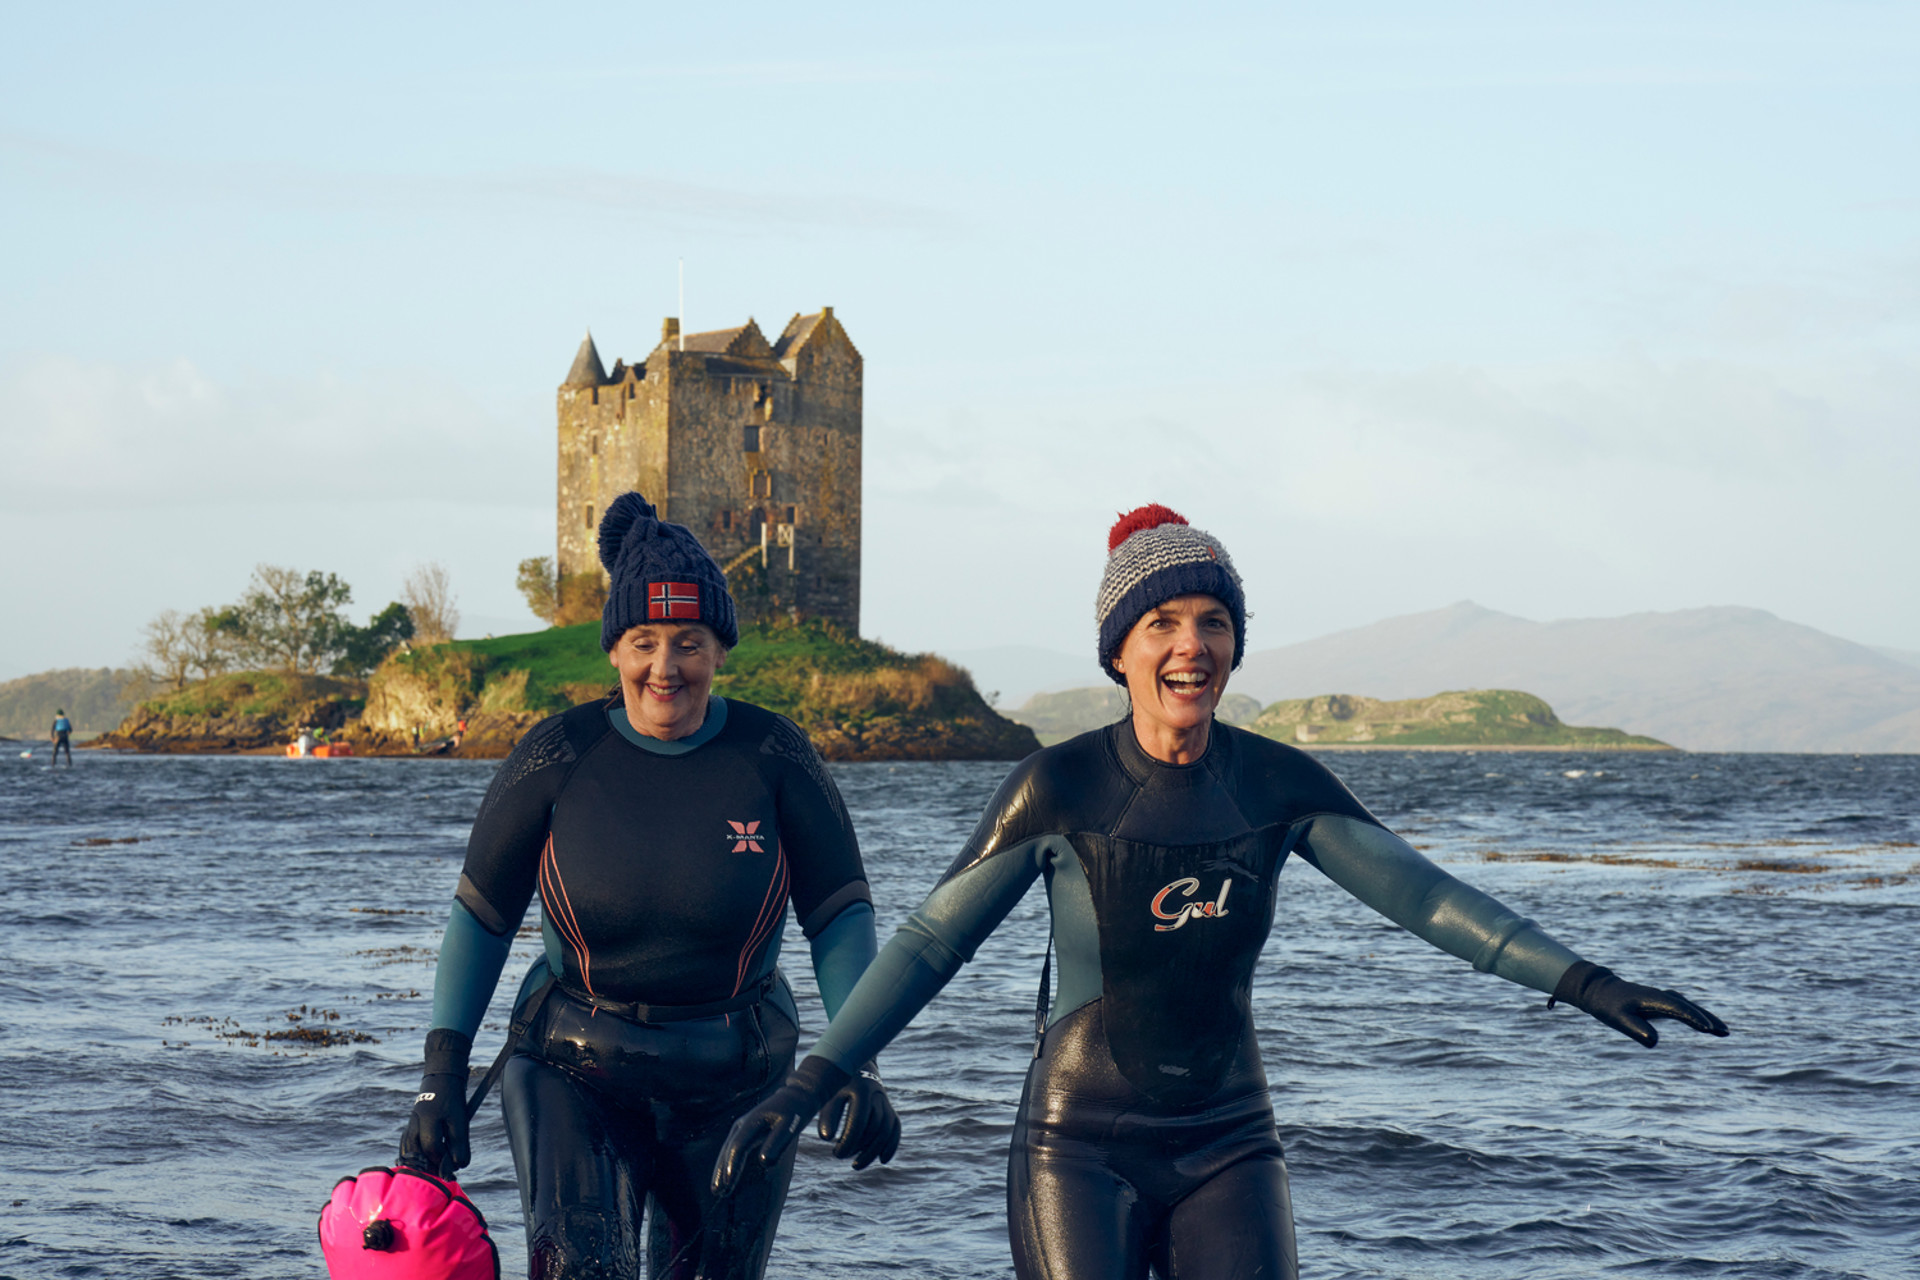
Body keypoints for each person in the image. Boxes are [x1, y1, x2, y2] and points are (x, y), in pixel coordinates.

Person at [717, 503, 1729, 1280]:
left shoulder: (1274, 785)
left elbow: (1425, 899)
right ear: (1120, 650)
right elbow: (932, 944)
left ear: (1235, 643)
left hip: (1229, 1137)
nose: (1189, 643)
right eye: (1162, 621)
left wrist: (1586, 980)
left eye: (1212, 620)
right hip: (1079, 1143)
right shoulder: (1058, 788)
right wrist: (812, 1080)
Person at [402, 492, 898, 1280]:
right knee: (580, 1268)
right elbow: (482, 918)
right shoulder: (556, 755)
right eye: (644, 642)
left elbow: (840, 916)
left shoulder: (775, 754)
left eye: (688, 642)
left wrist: (856, 1064)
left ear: (720, 650)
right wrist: (439, 1077)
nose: (665, 668)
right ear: (614, 651)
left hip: (738, 1076)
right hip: (573, 1069)